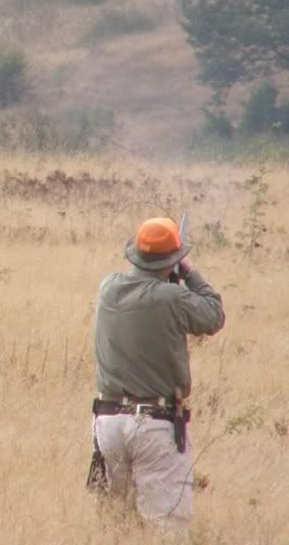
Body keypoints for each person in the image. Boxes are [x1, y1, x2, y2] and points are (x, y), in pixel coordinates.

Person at [90, 217, 225, 536]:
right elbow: (213, 315)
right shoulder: (173, 298)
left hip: (106, 423)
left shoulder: (108, 288)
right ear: (172, 260)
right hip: (154, 425)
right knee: (166, 530)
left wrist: (168, 276)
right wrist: (189, 272)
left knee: (117, 525)